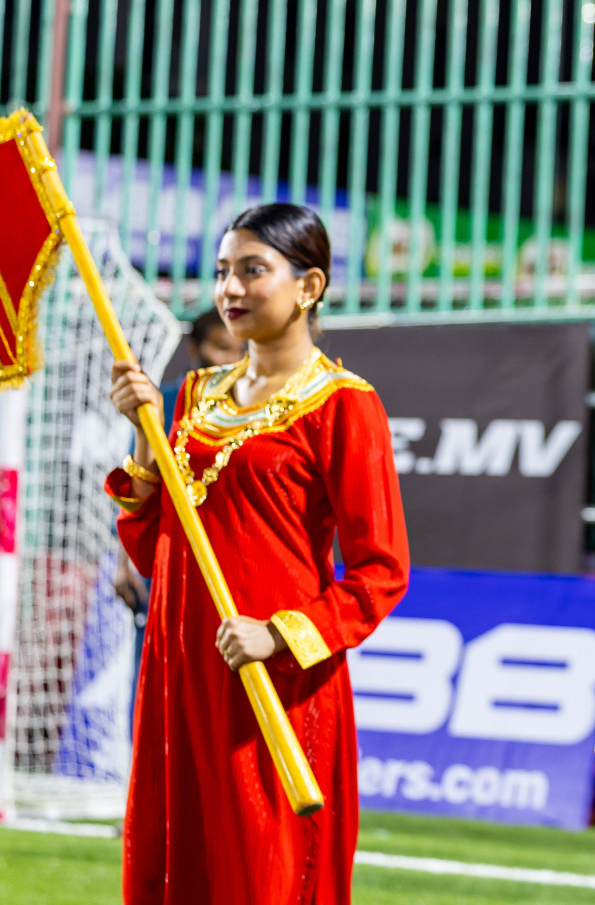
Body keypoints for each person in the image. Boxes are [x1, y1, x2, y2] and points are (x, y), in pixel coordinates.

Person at [106, 203, 410, 905]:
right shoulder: (191, 394)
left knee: (263, 867)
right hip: (180, 665)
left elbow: (381, 571)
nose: (230, 290)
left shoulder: (343, 405)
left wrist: (277, 633)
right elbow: (157, 550)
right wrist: (147, 439)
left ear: (309, 287)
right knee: (173, 852)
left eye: (252, 270)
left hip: (271, 678)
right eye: (221, 273)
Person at [114, 309, 243, 619]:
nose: (231, 361)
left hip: (227, 563)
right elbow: (138, 488)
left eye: (239, 351)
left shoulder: (249, 411)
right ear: (194, 349)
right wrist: (122, 564)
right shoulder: (161, 404)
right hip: (163, 558)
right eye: (222, 347)